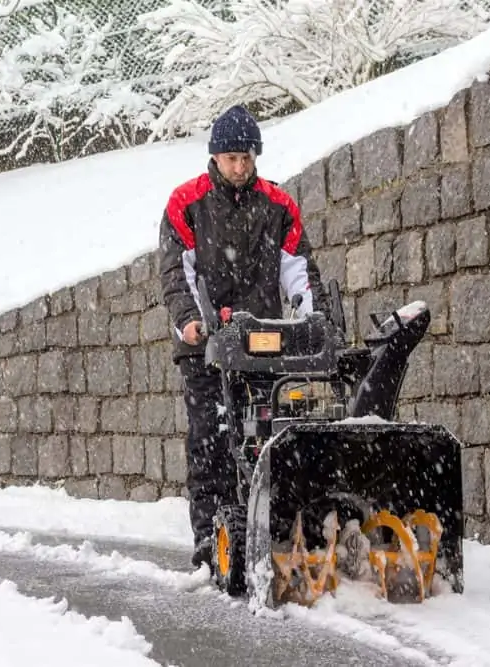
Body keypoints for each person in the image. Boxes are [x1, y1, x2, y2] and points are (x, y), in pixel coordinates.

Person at [157, 104, 330, 569]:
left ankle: (281, 527)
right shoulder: (186, 204)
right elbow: (178, 274)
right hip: (207, 348)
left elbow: (299, 270)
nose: (240, 166)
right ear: (215, 157)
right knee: (211, 442)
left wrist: (316, 320)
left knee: (276, 434)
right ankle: (210, 540)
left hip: (264, 341)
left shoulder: (277, 206)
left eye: (246, 157)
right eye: (231, 158)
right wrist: (192, 320)